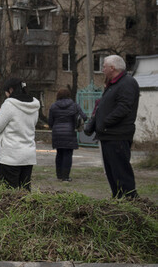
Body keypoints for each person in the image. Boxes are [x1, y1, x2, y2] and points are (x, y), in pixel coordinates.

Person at [87, 55, 139, 198]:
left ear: (112, 68)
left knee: (120, 170)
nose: (102, 69)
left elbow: (124, 108)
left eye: (104, 66)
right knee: (111, 171)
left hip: (118, 135)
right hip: (108, 135)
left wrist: (104, 122)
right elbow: (102, 107)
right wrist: (94, 123)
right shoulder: (114, 85)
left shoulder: (127, 83)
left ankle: (129, 199)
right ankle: (117, 198)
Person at [0, 78, 40, 190]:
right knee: (24, 190)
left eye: (6, 92)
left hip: (11, 155)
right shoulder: (34, 105)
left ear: (11, 89)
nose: (6, 94)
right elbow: (28, 122)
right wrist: (2, 112)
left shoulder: (9, 104)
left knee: (8, 193)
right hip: (28, 155)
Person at [47, 87, 87, 182]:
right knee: (68, 155)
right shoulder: (74, 106)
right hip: (69, 132)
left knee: (59, 154)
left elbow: (50, 122)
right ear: (69, 95)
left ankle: (59, 175)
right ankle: (66, 176)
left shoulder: (53, 106)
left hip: (57, 133)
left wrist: (55, 126)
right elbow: (84, 117)